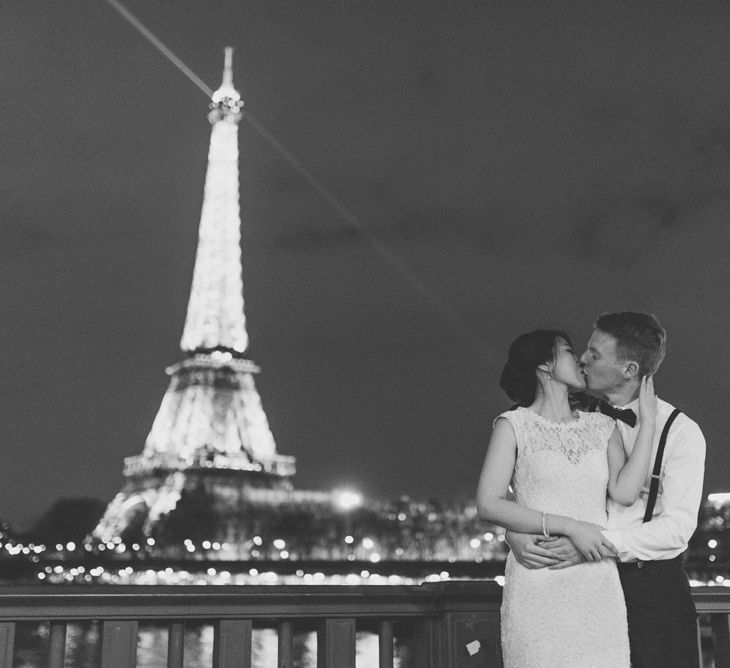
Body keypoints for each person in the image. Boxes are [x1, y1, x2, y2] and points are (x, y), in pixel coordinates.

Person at [506, 312, 706, 668]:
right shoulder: (570, 417)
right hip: (580, 589)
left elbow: (677, 529)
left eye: (595, 354)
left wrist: (595, 545)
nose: (582, 358)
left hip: (652, 595)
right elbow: (530, 485)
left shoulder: (681, 432)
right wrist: (515, 531)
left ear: (629, 369)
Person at [476, 328, 657, 667]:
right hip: (539, 579)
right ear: (545, 366)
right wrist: (571, 526)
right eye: (569, 352)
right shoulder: (513, 425)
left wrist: (647, 424)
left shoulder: (603, 426)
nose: (580, 360)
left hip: (596, 583)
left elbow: (626, 492)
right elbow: (488, 503)